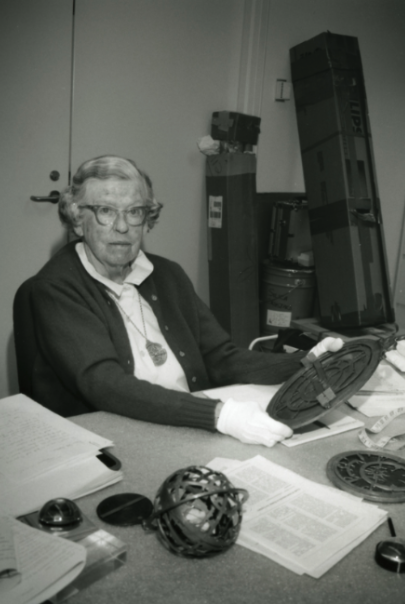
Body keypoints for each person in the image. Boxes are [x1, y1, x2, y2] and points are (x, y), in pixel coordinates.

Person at [21, 155, 343, 447]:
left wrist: (303, 361)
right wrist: (218, 416)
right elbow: (104, 385)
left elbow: (220, 357)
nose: (122, 227)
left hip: (185, 421)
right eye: (105, 211)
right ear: (77, 218)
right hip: (110, 439)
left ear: (147, 219)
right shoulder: (55, 288)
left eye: (134, 212)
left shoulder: (166, 274)